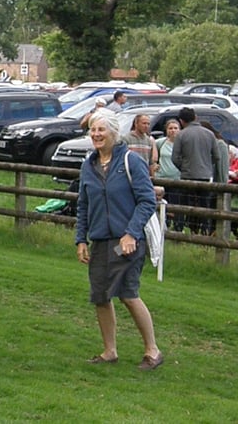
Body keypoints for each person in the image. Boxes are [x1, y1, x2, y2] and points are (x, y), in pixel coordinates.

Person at [75, 110, 163, 371]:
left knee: (127, 294)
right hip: (101, 241)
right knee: (101, 295)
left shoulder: (130, 162)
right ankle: (109, 351)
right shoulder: (88, 166)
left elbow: (147, 201)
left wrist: (131, 233)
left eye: (101, 130)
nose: (96, 134)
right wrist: (81, 239)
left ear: (114, 133)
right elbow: (83, 205)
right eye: (93, 130)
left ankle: (153, 351)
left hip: (127, 242)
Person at [172, 107, 219, 235]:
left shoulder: (181, 135)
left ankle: (180, 229)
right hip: (205, 175)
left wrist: (184, 167)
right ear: (195, 117)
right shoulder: (209, 134)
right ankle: (205, 230)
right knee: (205, 206)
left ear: (181, 121)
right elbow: (217, 156)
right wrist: (207, 165)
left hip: (187, 175)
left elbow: (175, 158)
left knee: (184, 205)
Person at [155, 119, 183, 231]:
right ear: (166, 130)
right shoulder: (160, 143)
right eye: (170, 128)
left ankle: (177, 228)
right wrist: (154, 165)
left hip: (177, 179)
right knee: (162, 205)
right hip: (162, 178)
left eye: (176, 128)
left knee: (176, 204)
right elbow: (153, 156)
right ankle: (163, 227)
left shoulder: (182, 144)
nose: (173, 131)